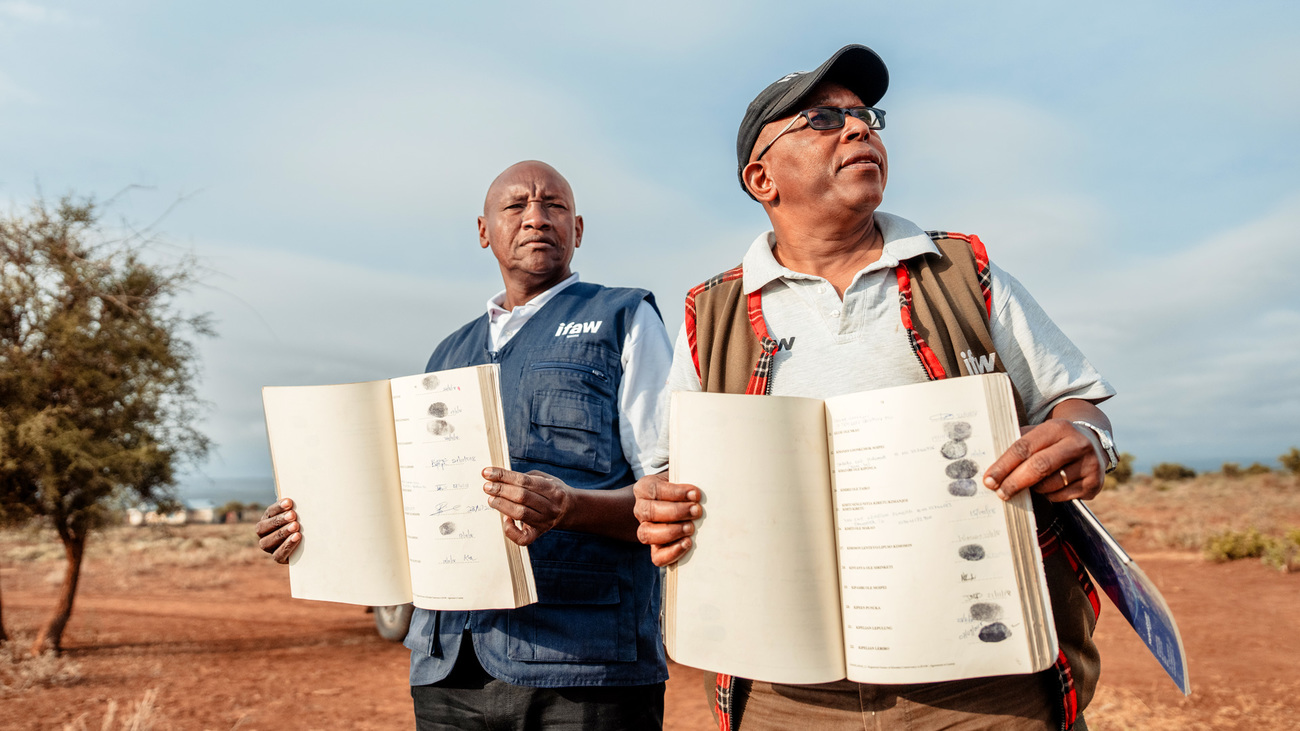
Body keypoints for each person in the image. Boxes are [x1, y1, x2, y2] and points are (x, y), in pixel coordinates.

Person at [633, 45, 1119, 731]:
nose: (860, 129)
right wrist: (658, 504)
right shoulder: (708, 315)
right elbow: (663, 476)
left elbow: (1075, 403)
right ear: (762, 177)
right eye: (824, 119)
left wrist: (1087, 437)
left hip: (983, 686)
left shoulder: (961, 273)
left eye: (866, 117)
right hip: (785, 693)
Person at [258, 160, 672, 730]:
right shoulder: (447, 354)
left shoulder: (622, 318)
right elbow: (406, 507)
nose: (535, 218)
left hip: (583, 664)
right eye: (516, 206)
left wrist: (570, 508)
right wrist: (314, 528)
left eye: (553, 205)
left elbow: (668, 494)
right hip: (449, 667)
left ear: (578, 229)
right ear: (483, 232)